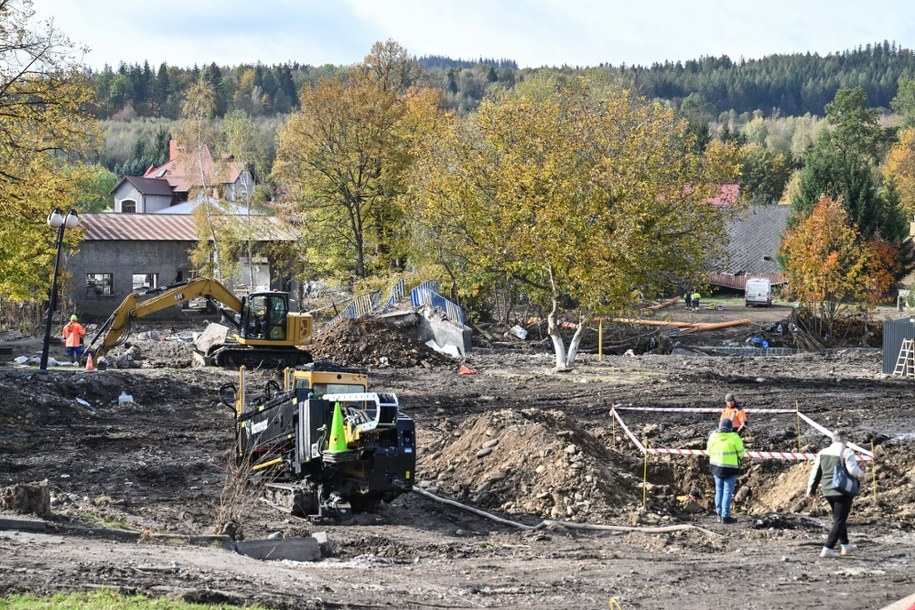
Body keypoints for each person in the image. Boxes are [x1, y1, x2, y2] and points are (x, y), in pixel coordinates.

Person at [806, 430, 865, 558]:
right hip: (842, 490)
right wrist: (862, 473)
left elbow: (816, 472)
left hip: (827, 490)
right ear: (844, 440)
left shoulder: (822, 452)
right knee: (839, 520)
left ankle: (845, 545)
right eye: (847, 440)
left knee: (839, 517)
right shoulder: (847, 451)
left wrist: (811, 490)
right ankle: (828, 548)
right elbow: (852, 470)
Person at [707, 418, 745, 523]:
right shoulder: (734, 437)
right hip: (730, 468)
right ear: (730, 427)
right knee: (727, 492)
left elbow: (708, 451)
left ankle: (719, 514)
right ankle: (725, 516)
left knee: (719, 490)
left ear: (719, 426)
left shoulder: (713, 436)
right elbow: (742, 453)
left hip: (716, 467)